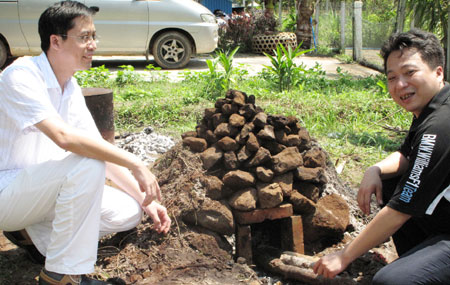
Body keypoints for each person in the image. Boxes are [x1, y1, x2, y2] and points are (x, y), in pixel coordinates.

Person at [0, 1, 171, 284]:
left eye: (93, 36)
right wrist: (136, 162)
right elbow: (65, 139)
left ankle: (31, 236)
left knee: (128, 213)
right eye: (84, 37)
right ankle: (62, 276)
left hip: (39, 191)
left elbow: (95, 147)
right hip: (7, 190)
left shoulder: (70, 85)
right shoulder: (21, 76)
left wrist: (145, 201)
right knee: (85, 165)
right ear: (56, 41)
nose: (92, 44)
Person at [313, 29, 450, 284]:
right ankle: (420, 265)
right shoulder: (434, 106)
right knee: (388, 181)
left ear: (438, 72)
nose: (400, 85)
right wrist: (374, 169)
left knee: (389, 281)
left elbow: (400, 209)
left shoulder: (440, 126)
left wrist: (345, 255)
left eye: (410, 73)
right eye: (391, 77)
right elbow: (407, 155)